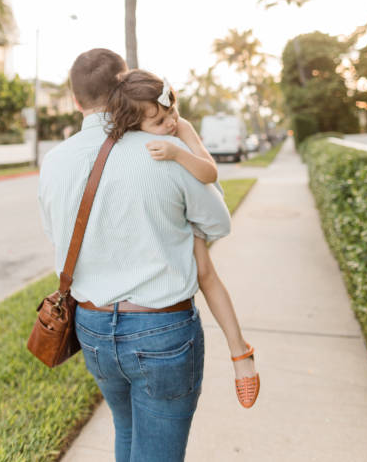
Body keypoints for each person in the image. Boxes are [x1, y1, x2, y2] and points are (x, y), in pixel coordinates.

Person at [38, 48, 231, 462]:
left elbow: (58, 236)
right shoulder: (161, 148)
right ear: (124, 85)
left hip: (90, 326)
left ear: (75, 101)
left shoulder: (53, 162)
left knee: (125, 430)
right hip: (161, 329)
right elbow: (218, 224)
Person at [106, 69, 260, 410]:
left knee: (206, 275)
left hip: (195, 204)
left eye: (170, 112)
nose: (169, 123)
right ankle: (240, 349)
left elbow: (210, 171)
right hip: (172, 213)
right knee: (204, 274)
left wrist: (177, 152)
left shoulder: (181, 130)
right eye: (159, 120)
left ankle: (240, 350)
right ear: (133, 126)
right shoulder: (127, 145)